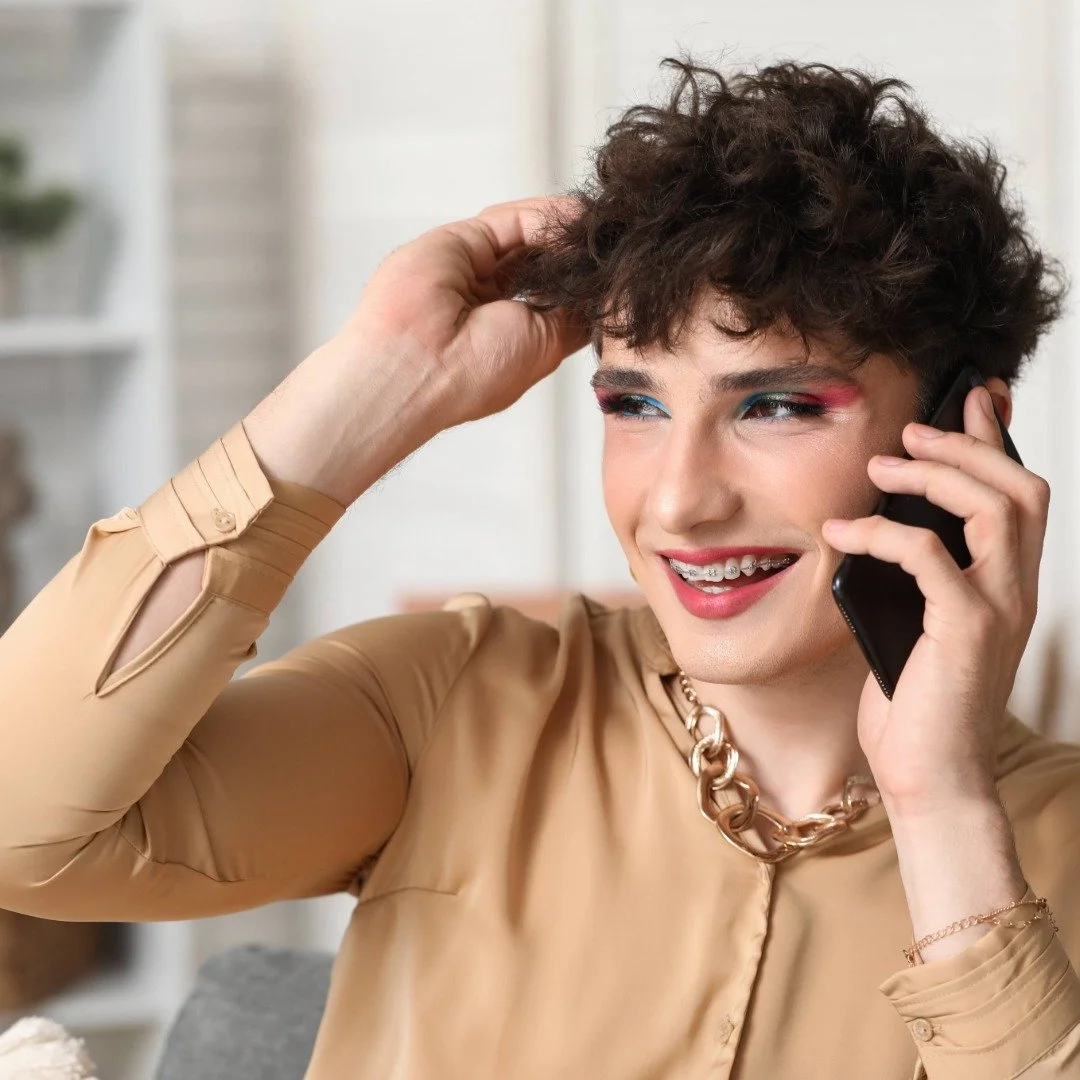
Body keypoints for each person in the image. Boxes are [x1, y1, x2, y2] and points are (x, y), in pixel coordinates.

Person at [0, 56, 1077, 1080]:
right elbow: (24, 828)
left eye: (778, 405)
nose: (677, 501)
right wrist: (372, 387)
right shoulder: (457, 699)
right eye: (635, 406)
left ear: (966, 437)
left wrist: (942, 808)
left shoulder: (1049, 842)